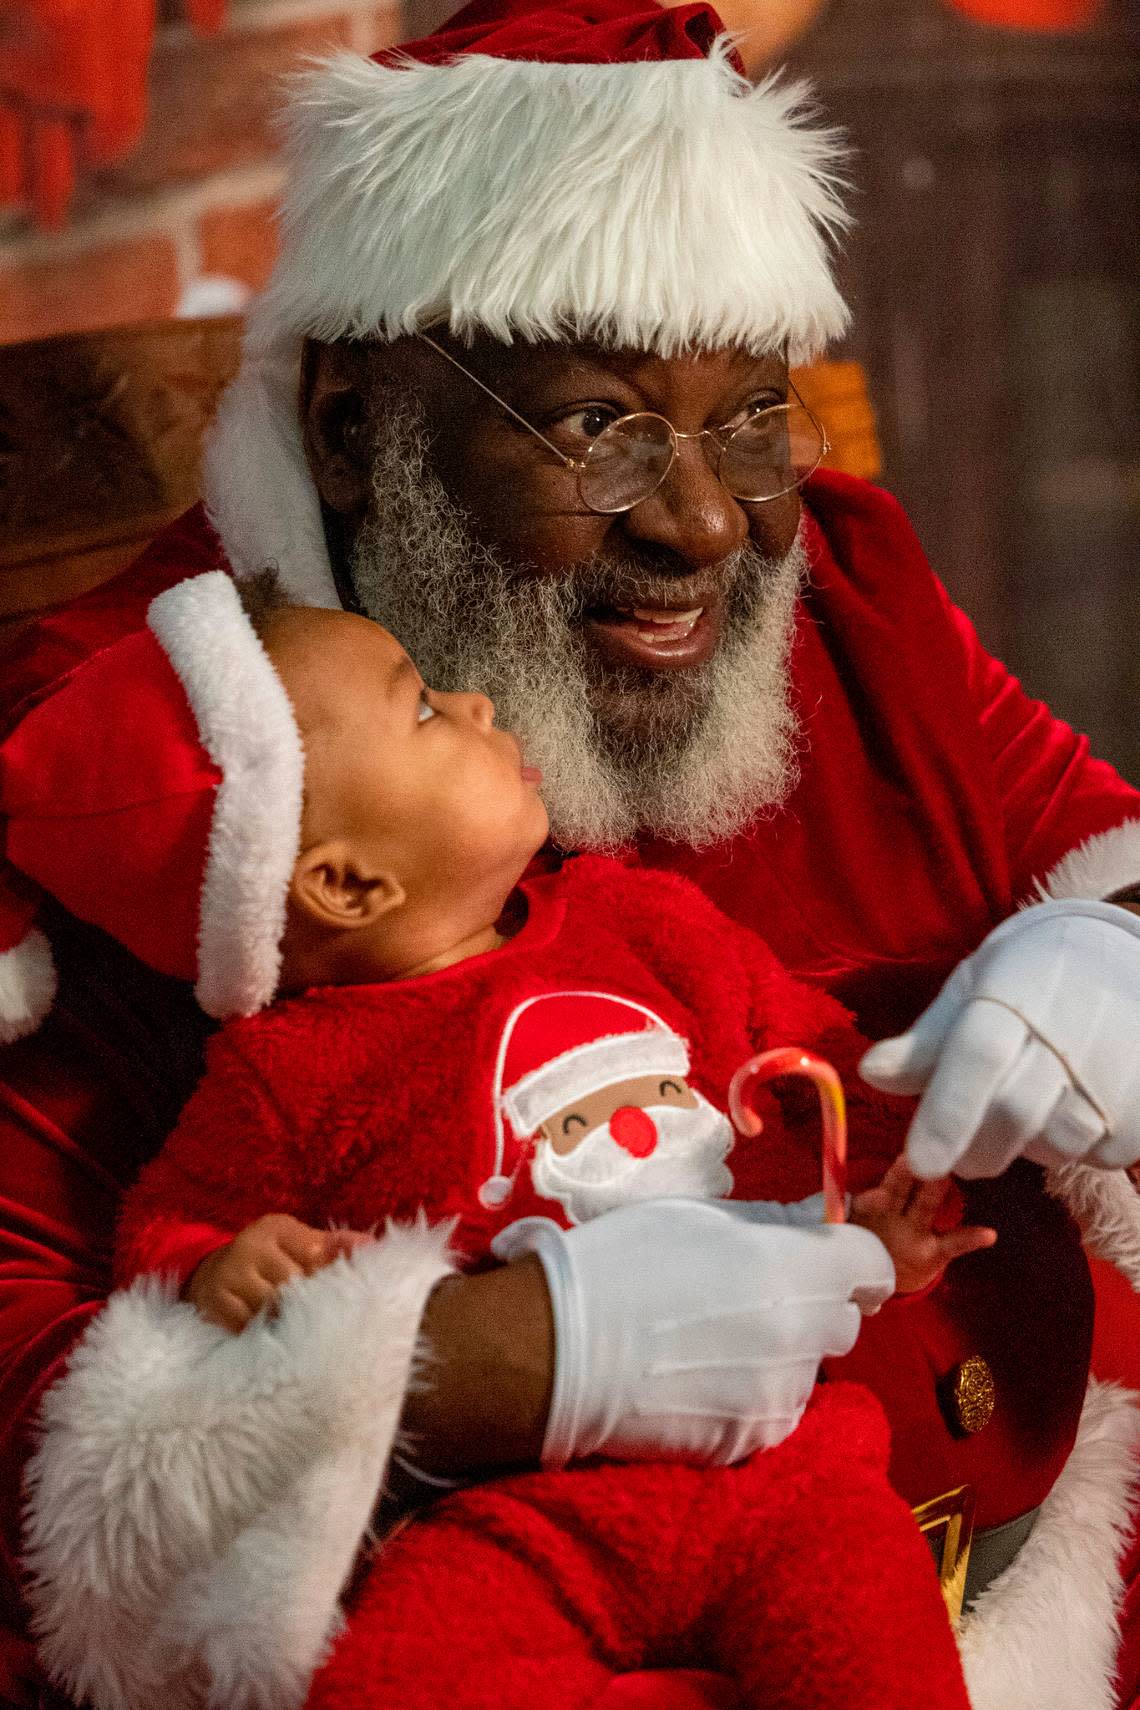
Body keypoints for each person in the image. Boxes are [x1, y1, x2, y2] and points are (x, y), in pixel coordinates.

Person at [3, 1, 1140, 1705]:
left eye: (751, 414)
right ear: (353, 427)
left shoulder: (848, 584)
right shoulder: (161, 768)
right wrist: (462, 1368)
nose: (702, 521)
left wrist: (1122, 942)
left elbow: (1086, 824)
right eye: (599, 423)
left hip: (1065, 1576)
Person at [10, 568, 986, 1709]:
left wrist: (883, 1216)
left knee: (884, 1668)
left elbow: (825, 1090)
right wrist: (218, 1270)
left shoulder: (641, 921)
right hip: (512, 1512)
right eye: (422, 707)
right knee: (386, 1681)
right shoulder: (285, 1074)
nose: (475, 703)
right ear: (344, 881)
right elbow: (165, 1230)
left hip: (785, 1468)